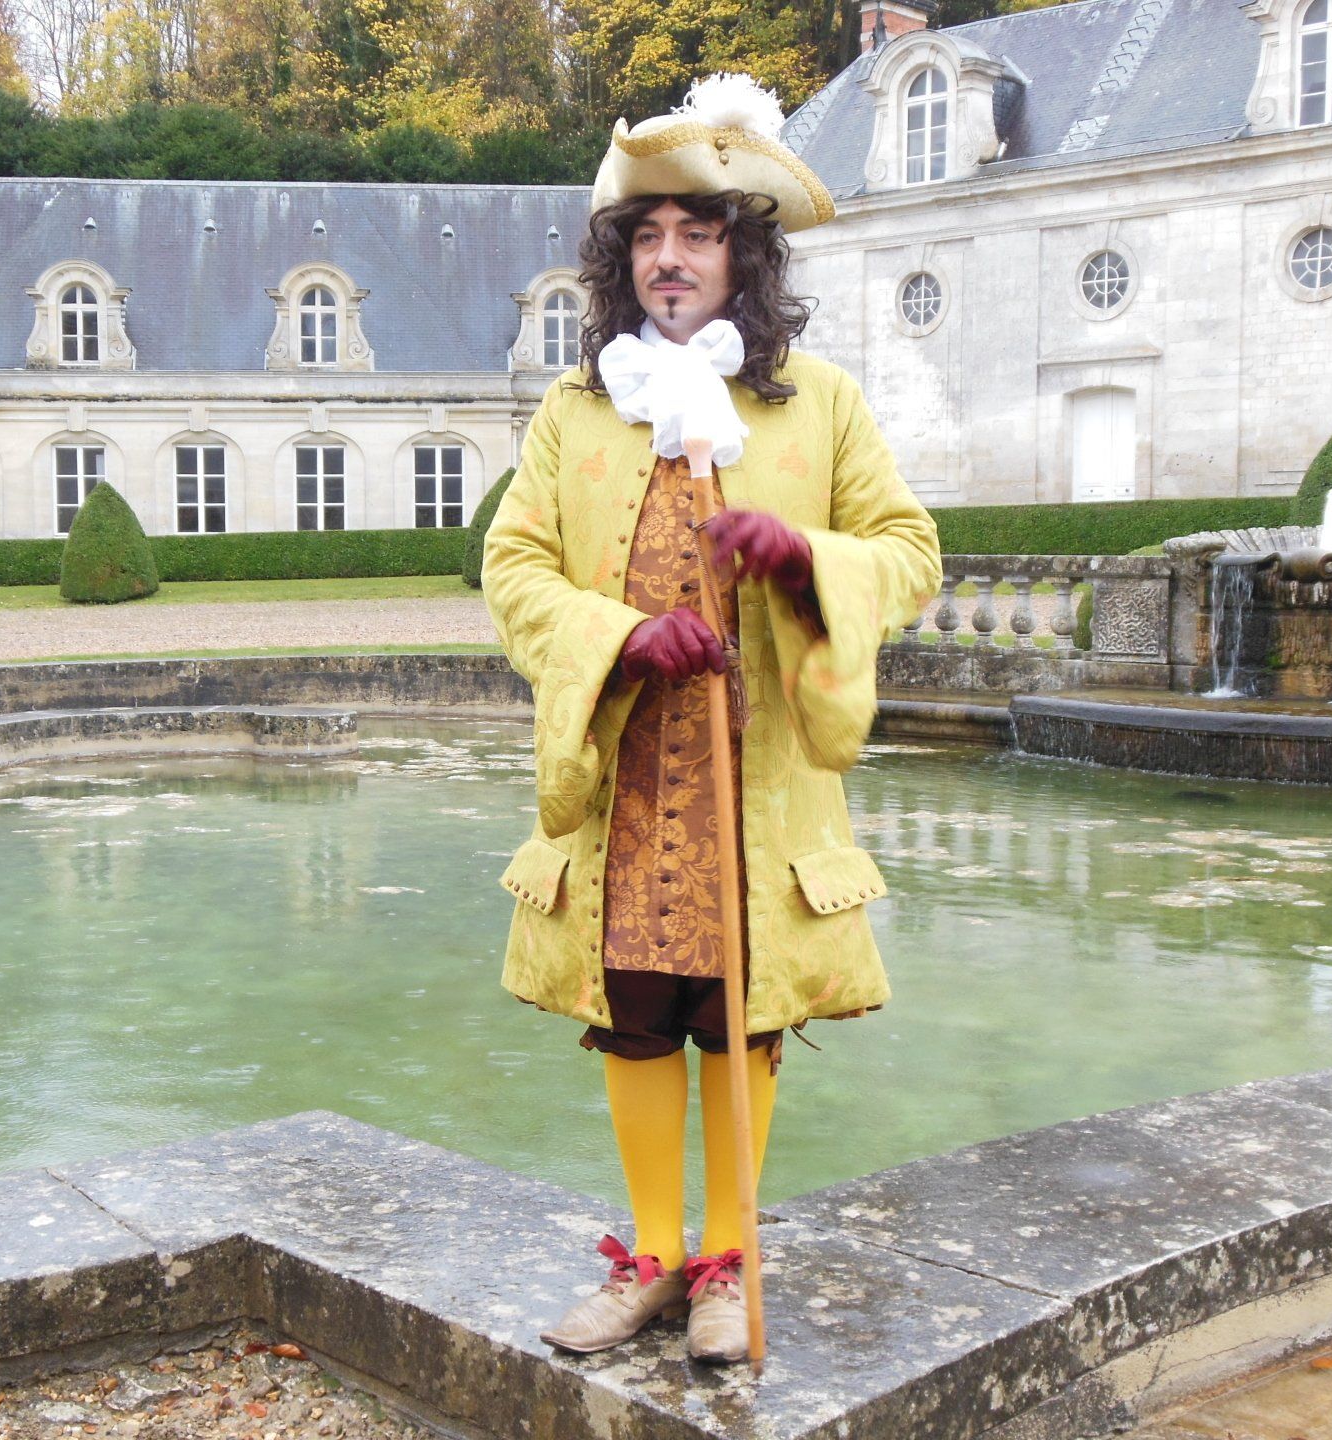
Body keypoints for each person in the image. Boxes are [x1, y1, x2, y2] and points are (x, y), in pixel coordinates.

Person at [481, 73, 942, 1364]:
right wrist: (623, 637)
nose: (670, 258)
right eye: (648, 235)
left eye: (697, 233)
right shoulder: (572, 410)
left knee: (740, 1012)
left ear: (744, 255)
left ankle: (729, 1264)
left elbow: (910, 552)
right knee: (633, 1004)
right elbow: (512, 570)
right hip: (623, 767)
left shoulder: (820, 403)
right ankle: (653, 1259)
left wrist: (802, 561)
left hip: (760, 776)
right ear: (620, 260)